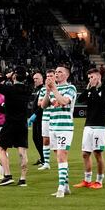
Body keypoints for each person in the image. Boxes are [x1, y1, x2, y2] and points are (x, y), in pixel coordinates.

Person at [0, 66, 33, 186]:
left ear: (14, 76)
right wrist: (25, 75)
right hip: (22, 123)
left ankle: (8, 175)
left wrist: (6, 76)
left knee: (1, 148)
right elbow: (30, 81)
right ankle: (23, 179)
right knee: (22, 152)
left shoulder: (9, 89)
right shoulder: (27, 89)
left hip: (10, 123)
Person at [42, 66, 77, 198]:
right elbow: (44, 106)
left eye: (60, 72)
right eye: (55, 72)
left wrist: (54, 89)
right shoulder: (52, 89)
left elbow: (63, 102)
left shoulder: (71, 88)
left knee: (62, 156)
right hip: (53, 127)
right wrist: (47, 92)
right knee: (59, 157)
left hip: (65, 127)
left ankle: (61, 188)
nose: (56, 74)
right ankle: (66, 186)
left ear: (66, 75)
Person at [74, 68, 105, 189]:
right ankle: (87, 180)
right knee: (85, 154)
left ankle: (99, 181)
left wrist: (94, 88)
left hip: (100, 126)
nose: (90, 80)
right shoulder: (90, 89)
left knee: (97, 154)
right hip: (88, 125)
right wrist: (87, 89)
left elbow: (102, 102)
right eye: (89, 78)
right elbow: (79, 100)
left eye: (92, 77)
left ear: (99, 76)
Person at [36, 69, 57, 170]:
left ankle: (61, 161)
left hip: (57, 118)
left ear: (55, 77)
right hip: (46, 117)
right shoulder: (44, 90)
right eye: (47, 76)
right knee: (45, 139)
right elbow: (40, 104)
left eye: (51, 76)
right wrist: (48, 96)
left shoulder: (59, 88)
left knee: (56, 141)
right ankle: (47, 163)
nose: (49, 78)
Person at [28, 72, 46, 166]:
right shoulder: (39, 90)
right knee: (36, 138)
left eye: (37, 78)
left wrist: (34, 114)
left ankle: (44, 159)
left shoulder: (43, 89)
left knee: (39, 139)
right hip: (37, 118)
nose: (35, 80)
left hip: (41, 118)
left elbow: (42, 105)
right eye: (34, 79)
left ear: (42, 79)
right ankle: (42, 158)